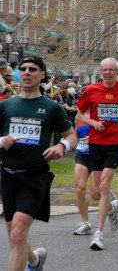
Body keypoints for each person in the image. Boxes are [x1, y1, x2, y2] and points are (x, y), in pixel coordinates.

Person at [1, 56, 77, 270]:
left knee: (17, 233)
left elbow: (71, 135)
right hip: (7, 175)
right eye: (23, 69)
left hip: (34, 176)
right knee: (15, 237)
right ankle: (35, 260)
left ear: (42, 75)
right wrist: (2, 141)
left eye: (32, 69)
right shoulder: (6, 106)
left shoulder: (51, 108)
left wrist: (62, 146)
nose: (26, 72)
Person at [76, 57, 118, 250]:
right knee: (96, 193)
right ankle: (112, 207)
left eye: (111, 70)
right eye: (104, 70)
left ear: (117, 72)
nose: (107, 73)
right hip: (96, 142)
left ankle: (98, 234)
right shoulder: (91, 90)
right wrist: (93, 123)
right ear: (100, 72)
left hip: (117, 142)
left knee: (105, 185)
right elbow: (79, 114)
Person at [72, 120, 102, 236]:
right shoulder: (79, 116)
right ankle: (86, 224)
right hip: (81, 156)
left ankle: (111, 206)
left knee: (96, 194)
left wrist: (94, 141)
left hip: (97, 157)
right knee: (80, 188)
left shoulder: (98, 111)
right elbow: (75, 135)